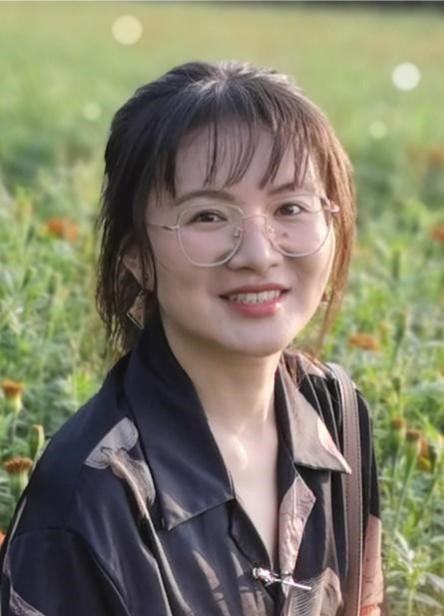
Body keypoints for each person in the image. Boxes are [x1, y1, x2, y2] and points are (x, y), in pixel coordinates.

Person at [0, 60, 384, 615]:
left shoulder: (336, 412)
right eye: (207, 217)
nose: (258, 253)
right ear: (137, 257)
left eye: (291, 207)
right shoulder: (90, 500)